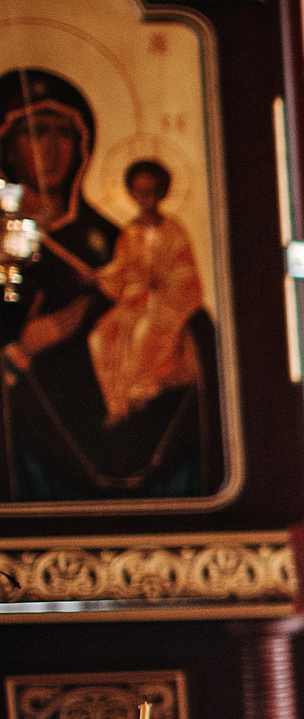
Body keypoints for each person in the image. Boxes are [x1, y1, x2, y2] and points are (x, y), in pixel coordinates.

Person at [0, 70, 221, 503]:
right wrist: (21, 346)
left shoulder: (113, 237)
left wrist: (187, 338)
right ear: (7, 146)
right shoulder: (8, 239)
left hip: (125, 411)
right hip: (35, 435)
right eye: (34, 132)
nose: (51, 148)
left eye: (64, 132)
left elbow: (167, 296)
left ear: (84, 143)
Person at [87, 160, 204, 431]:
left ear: (162, 193)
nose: (145, 199)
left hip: (167, 304)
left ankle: (141, 394)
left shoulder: (174, 231)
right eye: (139, 193)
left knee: (144, 332)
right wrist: (99, 276)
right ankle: (117, 405)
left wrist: (161, 285)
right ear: (132, 194)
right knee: (100, 337)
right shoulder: (130, 232)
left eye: (151, 192)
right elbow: (121, 269)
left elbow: (186, 276)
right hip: (133, 302)